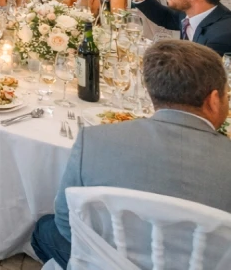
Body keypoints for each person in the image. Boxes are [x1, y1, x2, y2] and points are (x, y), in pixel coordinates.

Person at [30, 40, 231, 269]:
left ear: (152, 92)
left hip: (109, 264)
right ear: (214, 100)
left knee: (44, 229)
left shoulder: (94, 140)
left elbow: (66, 223)